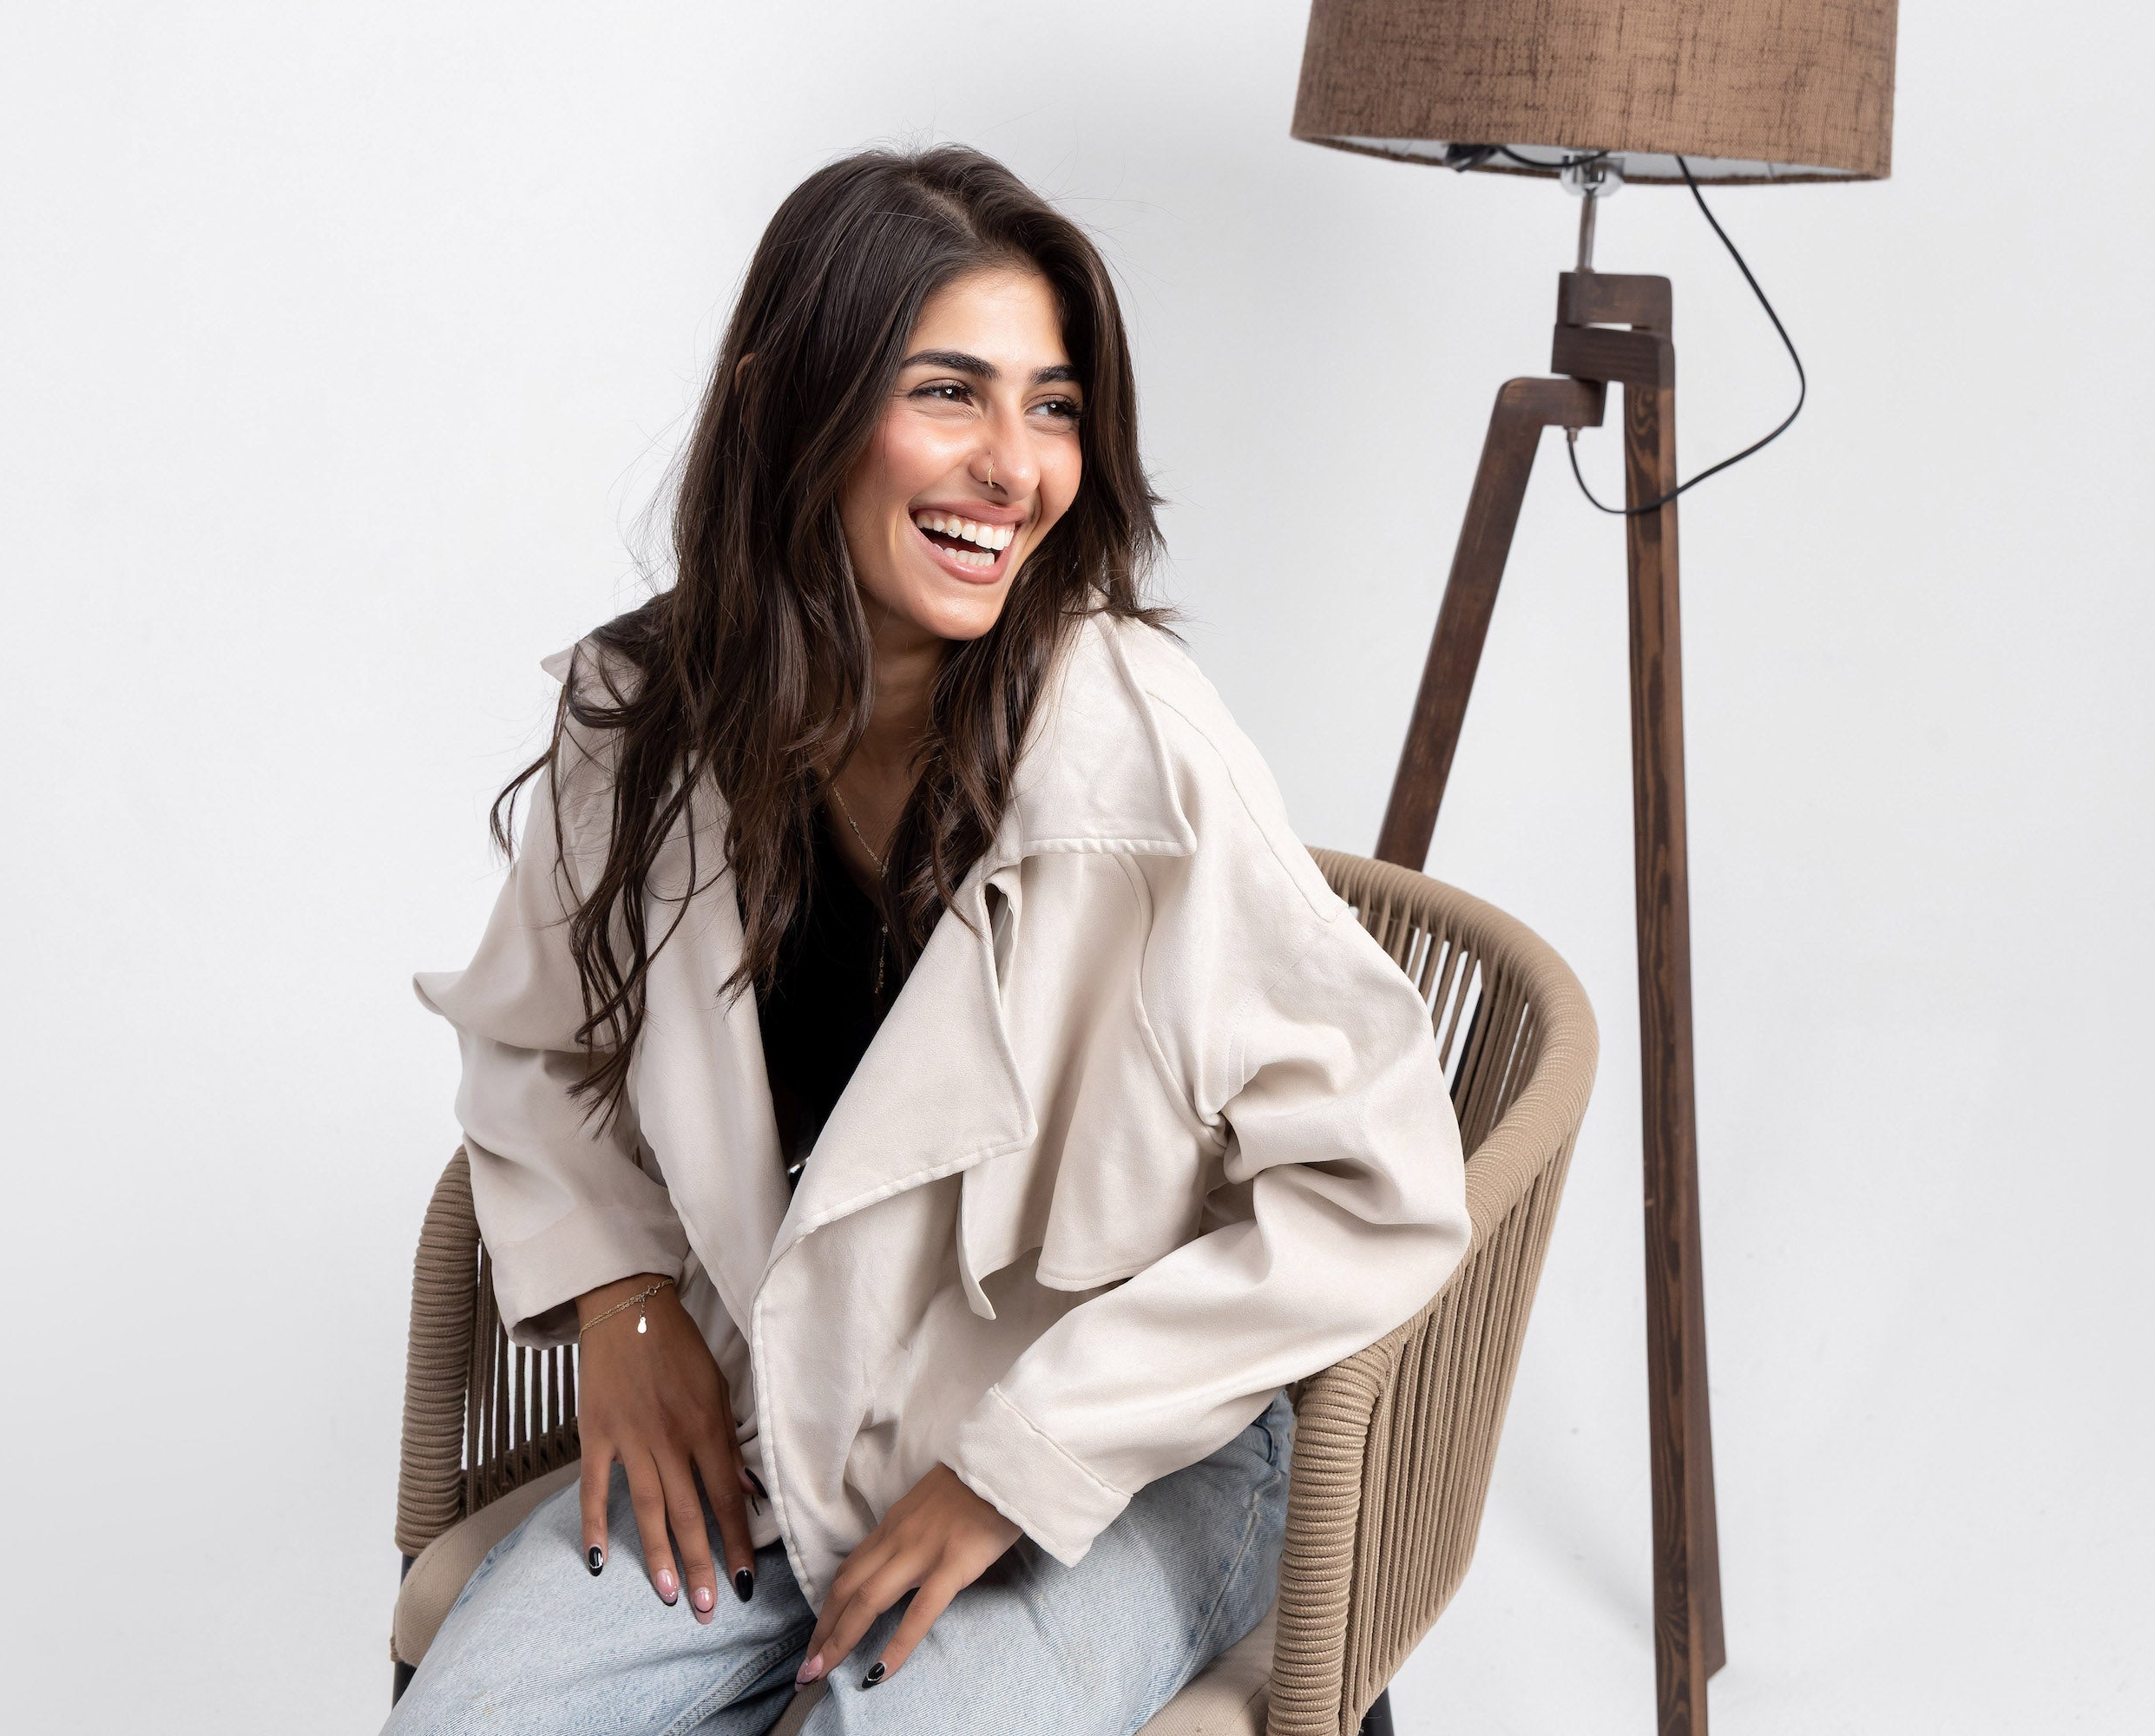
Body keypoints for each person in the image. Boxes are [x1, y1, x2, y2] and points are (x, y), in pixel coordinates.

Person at [391, 145, 1471, 1736]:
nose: (1016, 468)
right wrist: (616, 1304)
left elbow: (1376, 1187)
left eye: (1052, 406)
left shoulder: (1145, 768)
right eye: (951, 393)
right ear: (787, 404)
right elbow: (533, 1038)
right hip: (781, 1436)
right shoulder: (642, 719)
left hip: (1123, 1465)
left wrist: (1021, 1467)